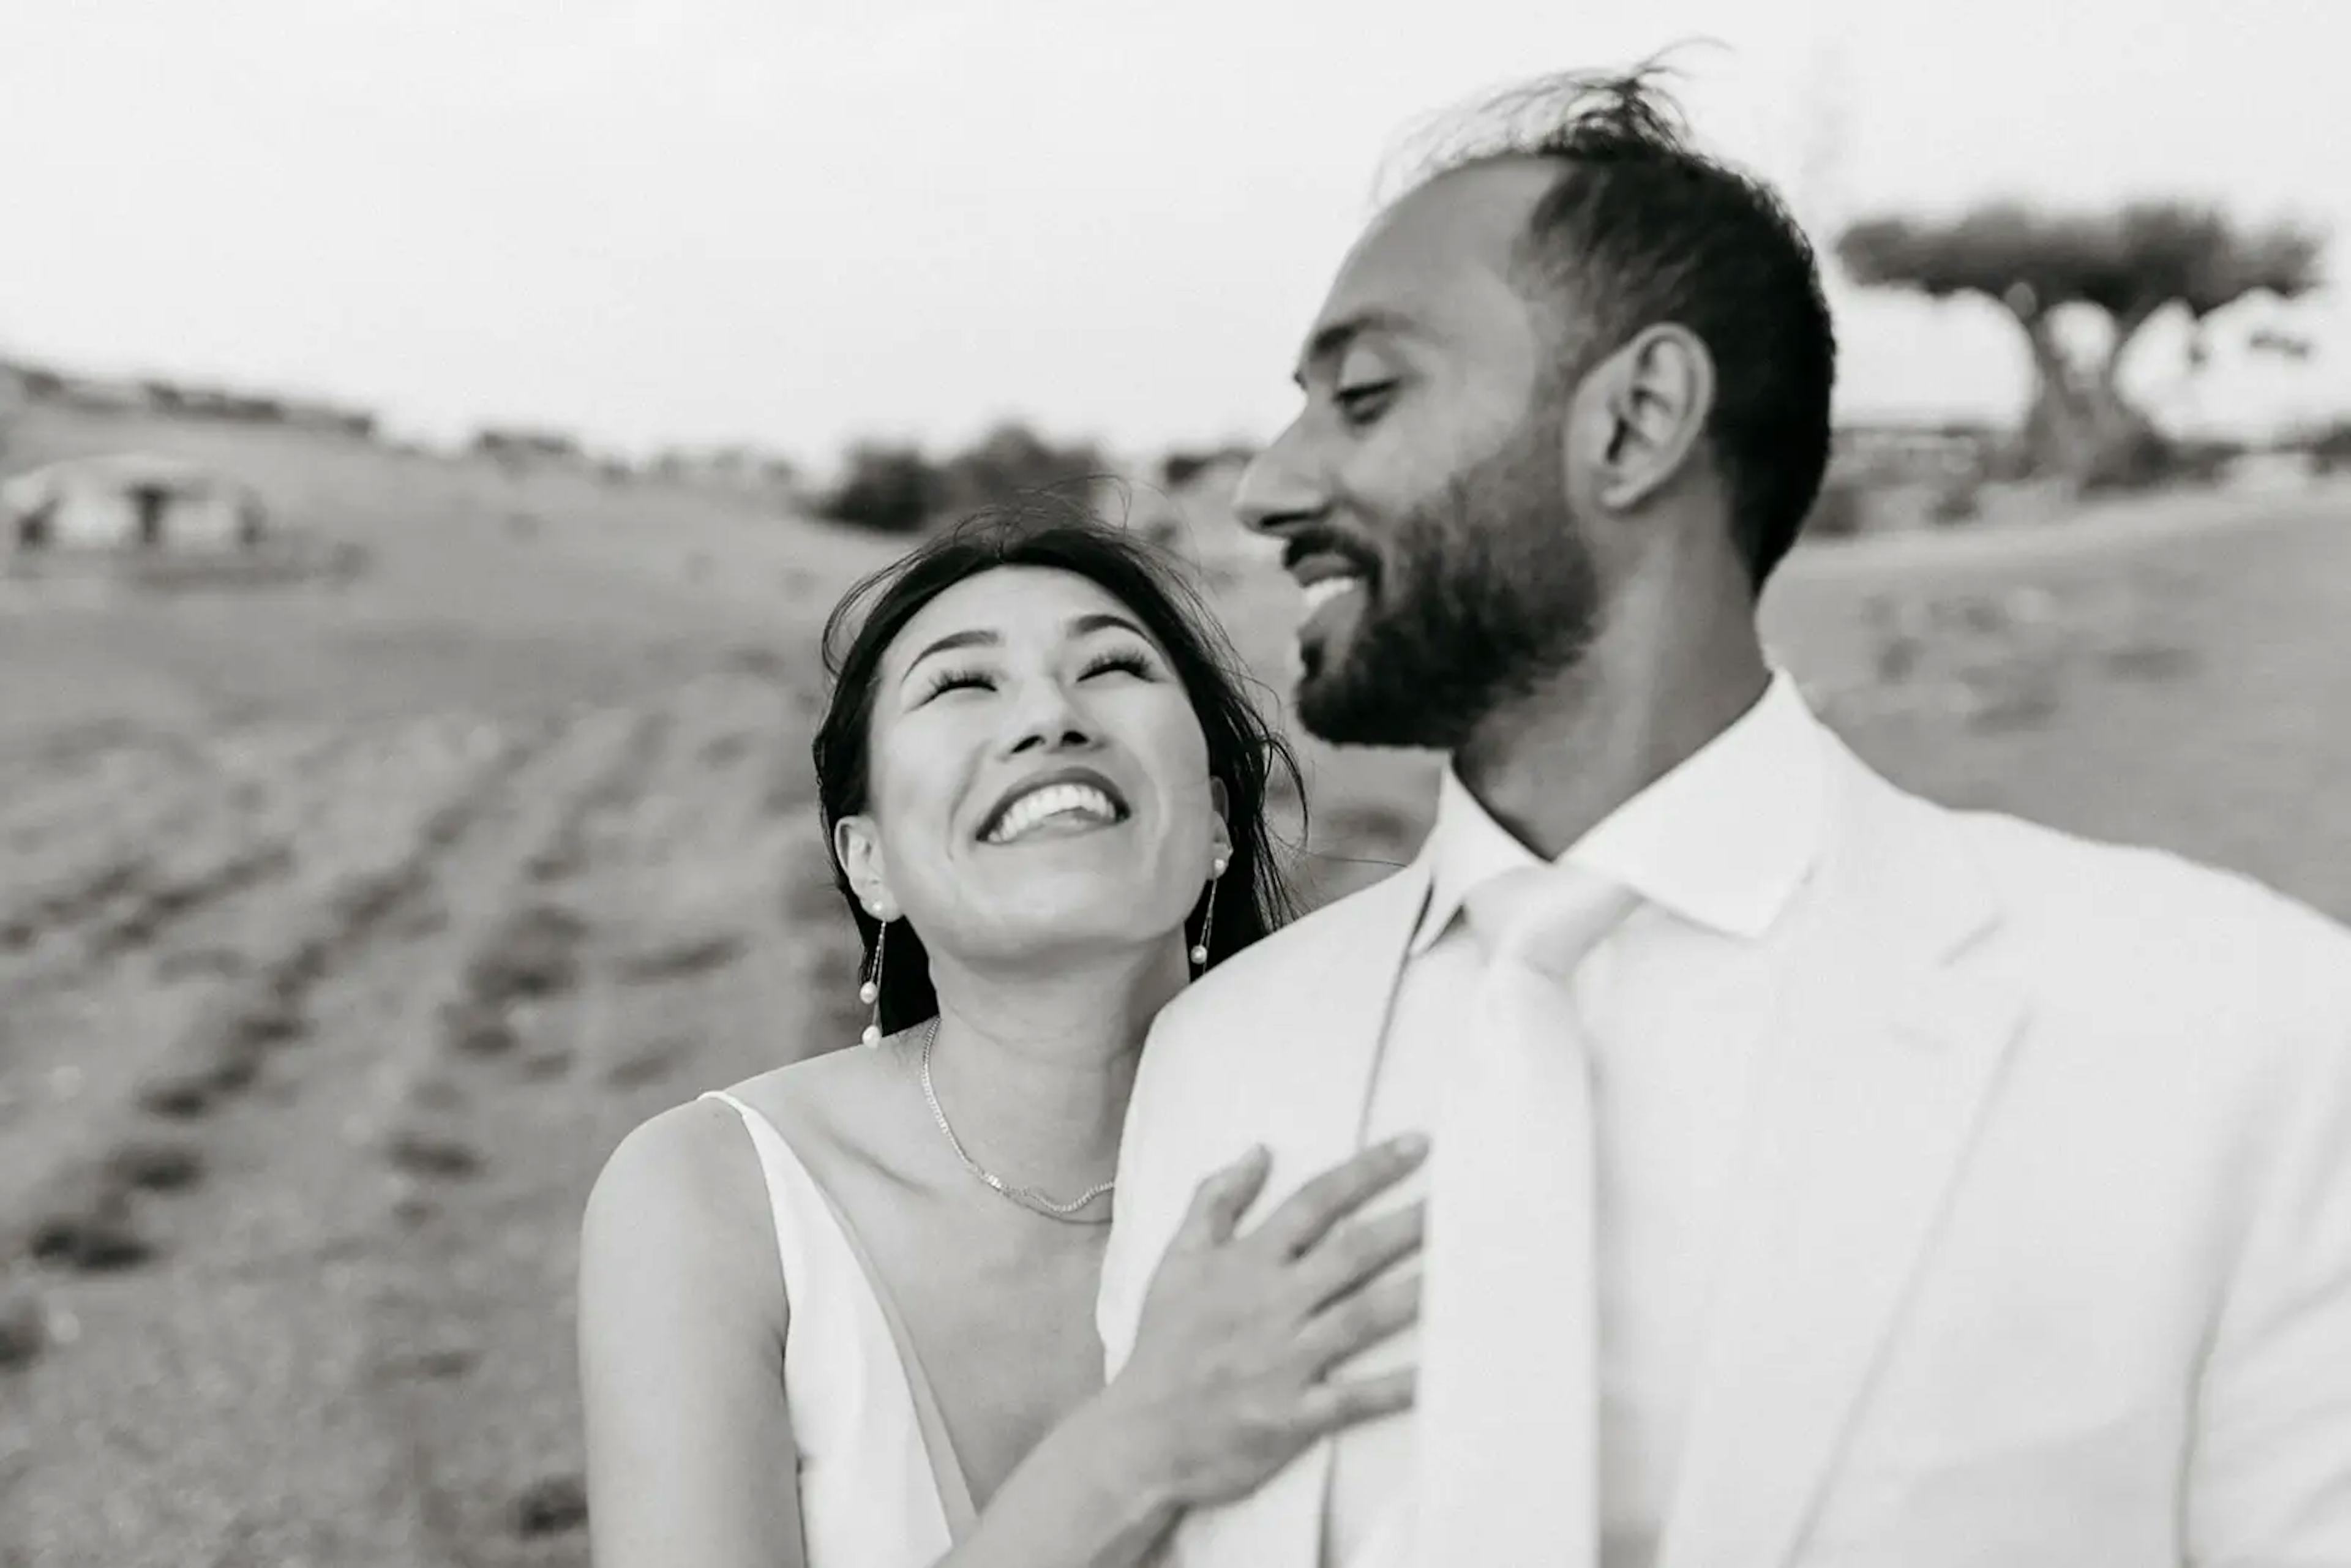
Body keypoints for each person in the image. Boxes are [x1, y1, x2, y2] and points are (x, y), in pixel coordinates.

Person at [1096, 65, 2351, 1568]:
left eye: (1364, 396)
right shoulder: (1220, 1057)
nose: (1266, 485)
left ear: (1636, 423)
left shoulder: (2240, 1030)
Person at [578, 511, 1430, 1567]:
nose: (1050, 716)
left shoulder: (1387, 1143)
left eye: (1113, 665)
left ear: (1214, 819)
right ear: (868, 861)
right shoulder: (713, 1200)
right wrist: (1139, 1447)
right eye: (961, 684)